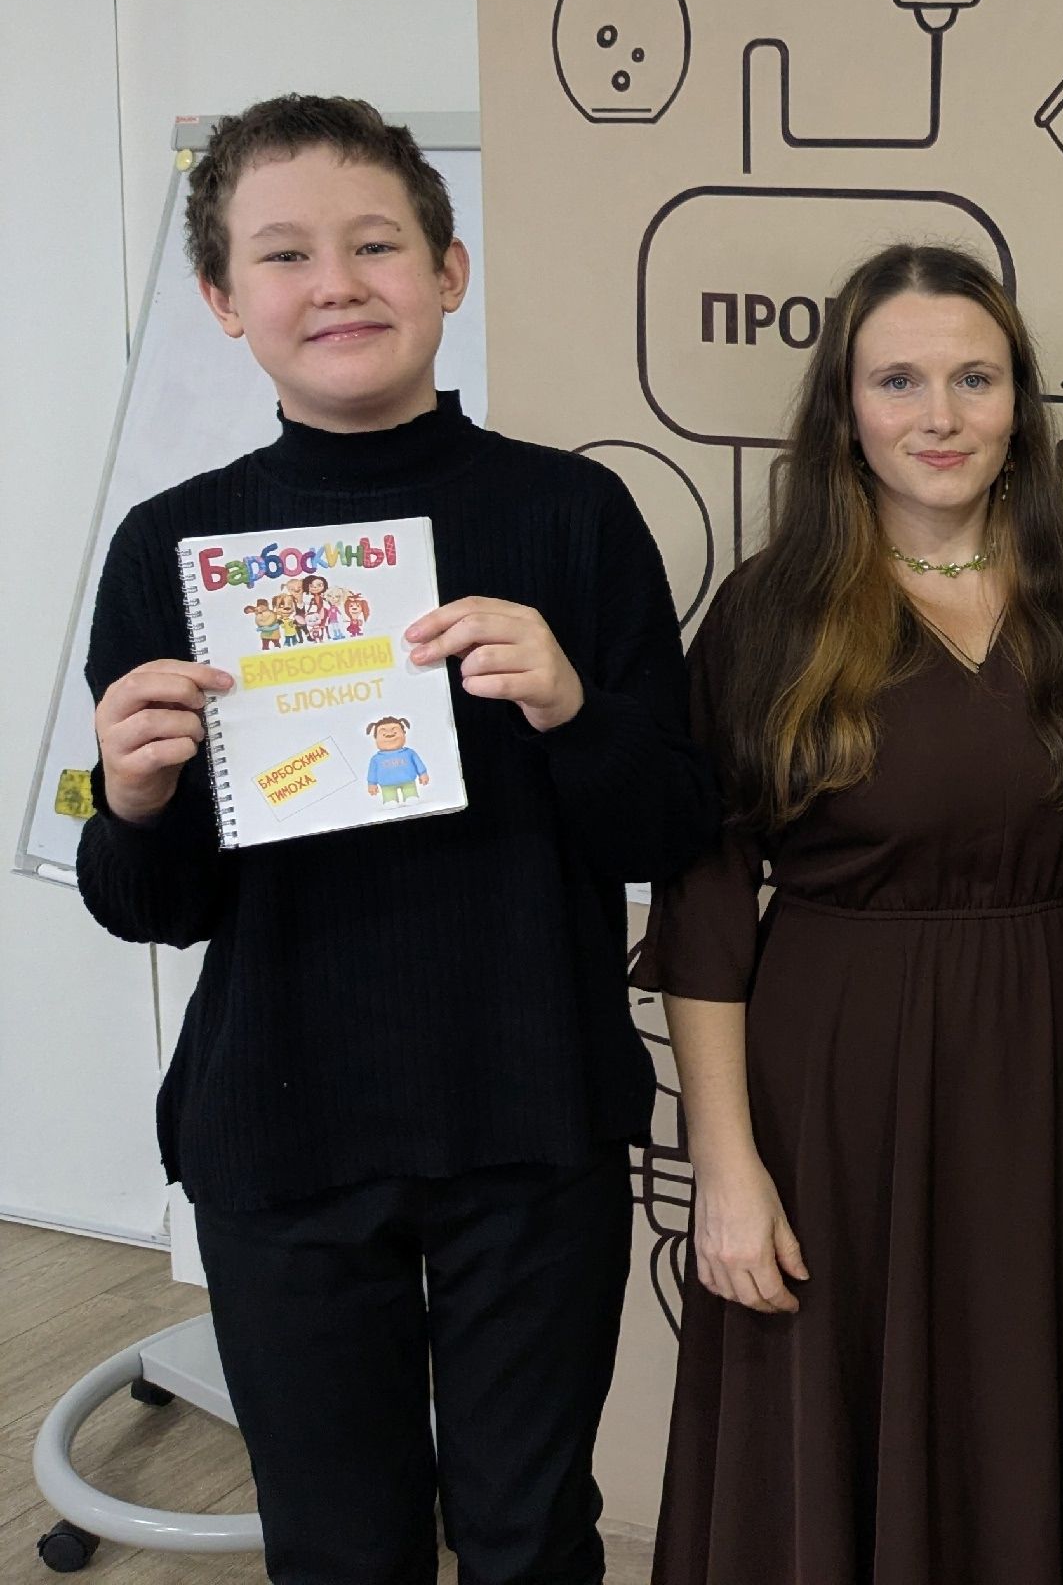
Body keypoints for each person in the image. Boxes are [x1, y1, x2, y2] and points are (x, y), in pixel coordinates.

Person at [78, 94, 715, 1581]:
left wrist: (570, 708)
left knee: (528, 1537)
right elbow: (151, 906)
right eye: (284, 255)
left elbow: (673, 821)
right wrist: (134, 798)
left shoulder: (573, 514)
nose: (337, 284)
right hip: (282, 1130)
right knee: (338, 1547)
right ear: (224, 300)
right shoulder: (173, 549)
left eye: (375, 244)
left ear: (448, 270)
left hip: (529, 1114)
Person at [637, 244, 1063, 1584]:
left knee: (1022, 1400)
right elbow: (705, 912)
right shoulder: (770, 614)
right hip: (833, 1082)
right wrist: (725, 1167)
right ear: (845, 408)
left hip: (1046, 1066)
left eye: (973, 379)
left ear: (1019, 405)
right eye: (899, 381)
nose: (939, 416)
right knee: (826, 1408)